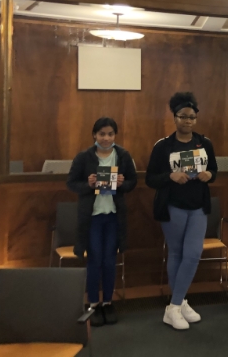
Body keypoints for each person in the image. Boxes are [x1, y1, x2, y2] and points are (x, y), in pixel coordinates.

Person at [146, 92, 218, 330]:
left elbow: (213, 171)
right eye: (183, 117)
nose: (188, 121)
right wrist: (170, 176)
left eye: (192, 117)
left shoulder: (204, 143)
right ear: (174, 117)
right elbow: (150, 179)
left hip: (198, 206)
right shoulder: (163, 146)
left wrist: (209, 175)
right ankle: (181, 301)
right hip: (173, 207)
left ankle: (174, 306)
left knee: (193, 253)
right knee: (176, 254)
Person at [67, 117, 137, 327]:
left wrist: (124, 184)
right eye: (102, 134)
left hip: (114, 216)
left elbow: (133, 182)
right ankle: (93, 303)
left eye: (110, 134)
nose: (106, 138)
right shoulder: (83, 157)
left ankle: (108, 302)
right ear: (94, 135)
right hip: (93, 218)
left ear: (115, 136)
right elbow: (71, 183)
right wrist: (87, 184)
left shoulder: (123, 155)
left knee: (109, 261)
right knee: (95, 260)